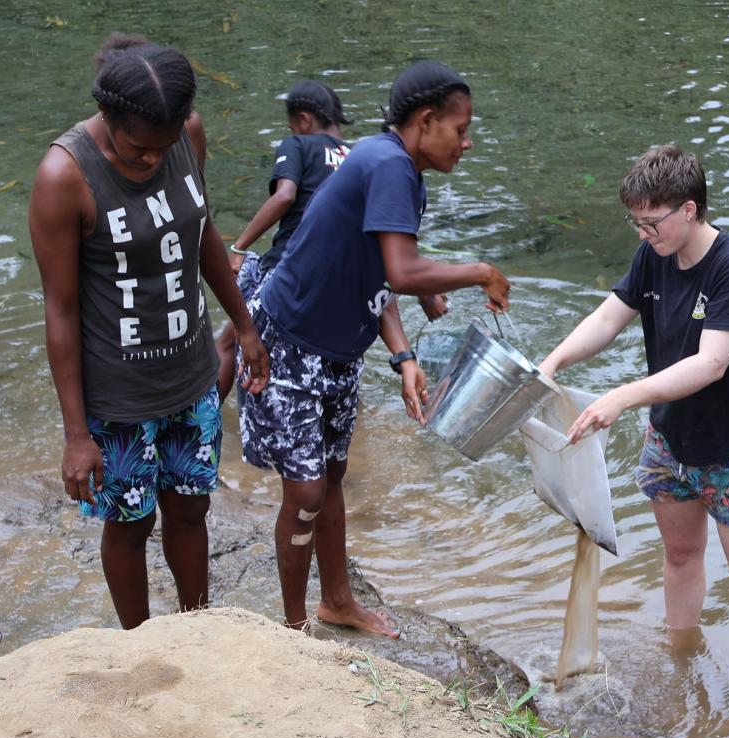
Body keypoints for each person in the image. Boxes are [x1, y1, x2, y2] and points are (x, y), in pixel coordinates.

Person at [236, 60, 511, 635]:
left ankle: (337, 601)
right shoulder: (388, 164)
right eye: (460, 130)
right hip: (288, 340)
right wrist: (481, 271)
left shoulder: (397, 168)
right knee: (307, 488)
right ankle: (290, 630)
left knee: (332, 476)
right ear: (426, 120)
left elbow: (378, 278)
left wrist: (404, 357)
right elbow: (405, 271)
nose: (466, 142)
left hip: (337, 351)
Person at [28, 33, 269, 630]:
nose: (153, 162)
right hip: (118, 397)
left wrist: (242, 323)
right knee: (130, 523)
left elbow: (202, 231)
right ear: (107, 117)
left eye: (163, 150)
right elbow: (59, 311)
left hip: (188, 378)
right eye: (139, 151)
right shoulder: (64, 176)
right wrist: (76, 434)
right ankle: (138, 645)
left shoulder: (184, 134)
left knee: (190, 510)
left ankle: (198, 629)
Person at [537, 144, 729, 667]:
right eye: (635, 222)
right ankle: (681, 655)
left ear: (690, 210)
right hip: (669, 442)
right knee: (679, 557)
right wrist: (551, 364)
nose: (642, 234)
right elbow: (608, 320)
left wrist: (622, 397)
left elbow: (711, 363)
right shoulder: (653, 256)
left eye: (651, 223)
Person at [217, 79, 446, 399]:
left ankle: (207, 422)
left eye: (293, 124)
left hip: (290, 275)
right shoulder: (366, 157)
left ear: (304, 119)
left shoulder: (297, 145)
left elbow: (285, 195)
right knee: (336, 364)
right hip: (341, 286)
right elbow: (388, 242)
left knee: (230, 341)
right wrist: (424, 291)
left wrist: (239, 246)